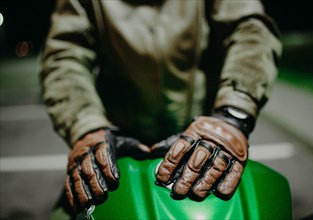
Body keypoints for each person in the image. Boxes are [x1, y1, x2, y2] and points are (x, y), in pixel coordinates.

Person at [40, 0, 282, 219]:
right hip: (114, 145)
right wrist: (85, 127)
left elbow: (249, 28)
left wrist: (232, 115)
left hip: (206, 142)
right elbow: (65, 55)